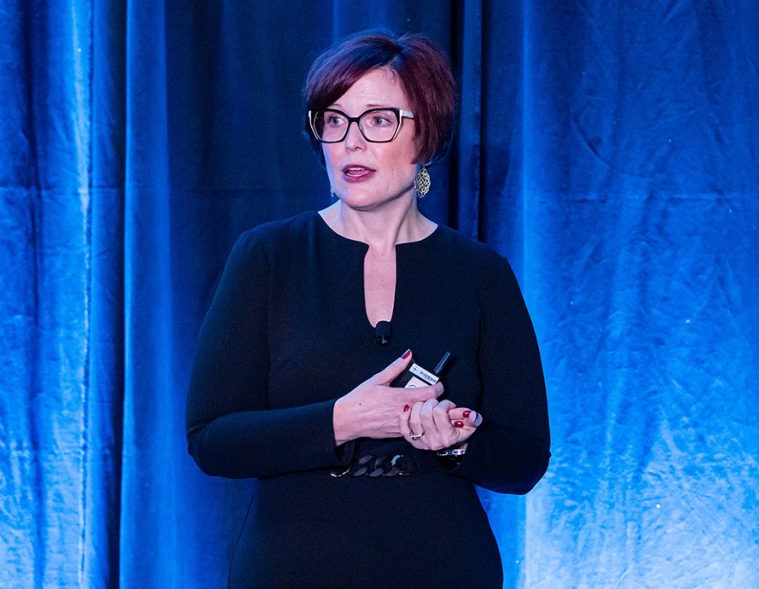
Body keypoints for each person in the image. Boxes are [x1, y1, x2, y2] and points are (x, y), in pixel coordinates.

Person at [185, 30, 550, 588]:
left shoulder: (482, 274)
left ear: (425, 135)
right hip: (293, 570)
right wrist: (345, 419)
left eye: (378, 120)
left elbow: (524, 460)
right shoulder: (267, 257)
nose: (350, 142)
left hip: (444, 568)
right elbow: (212, 440)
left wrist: (457, 442)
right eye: (334, 121)